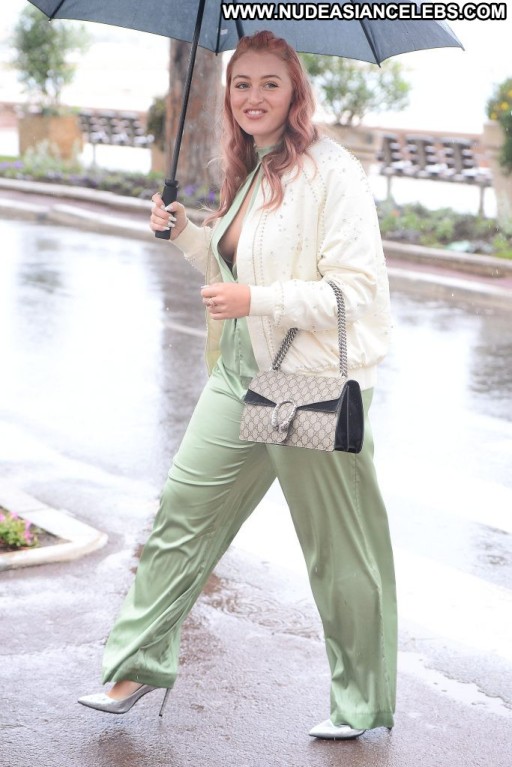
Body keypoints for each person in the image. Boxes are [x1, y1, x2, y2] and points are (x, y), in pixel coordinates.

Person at [78, 30, 397, 740]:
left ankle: (361, 699)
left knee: (335, 548)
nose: (253, 96)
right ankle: (136, 662)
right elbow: (231, 272)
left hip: (305, 380)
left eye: (269, 84)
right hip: (240, 373)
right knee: (183, 512)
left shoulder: (332, 171)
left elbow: (354, 293)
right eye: (241, 83)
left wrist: (257, 299)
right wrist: (187, 233)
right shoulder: (253, 166)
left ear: (295, 92)